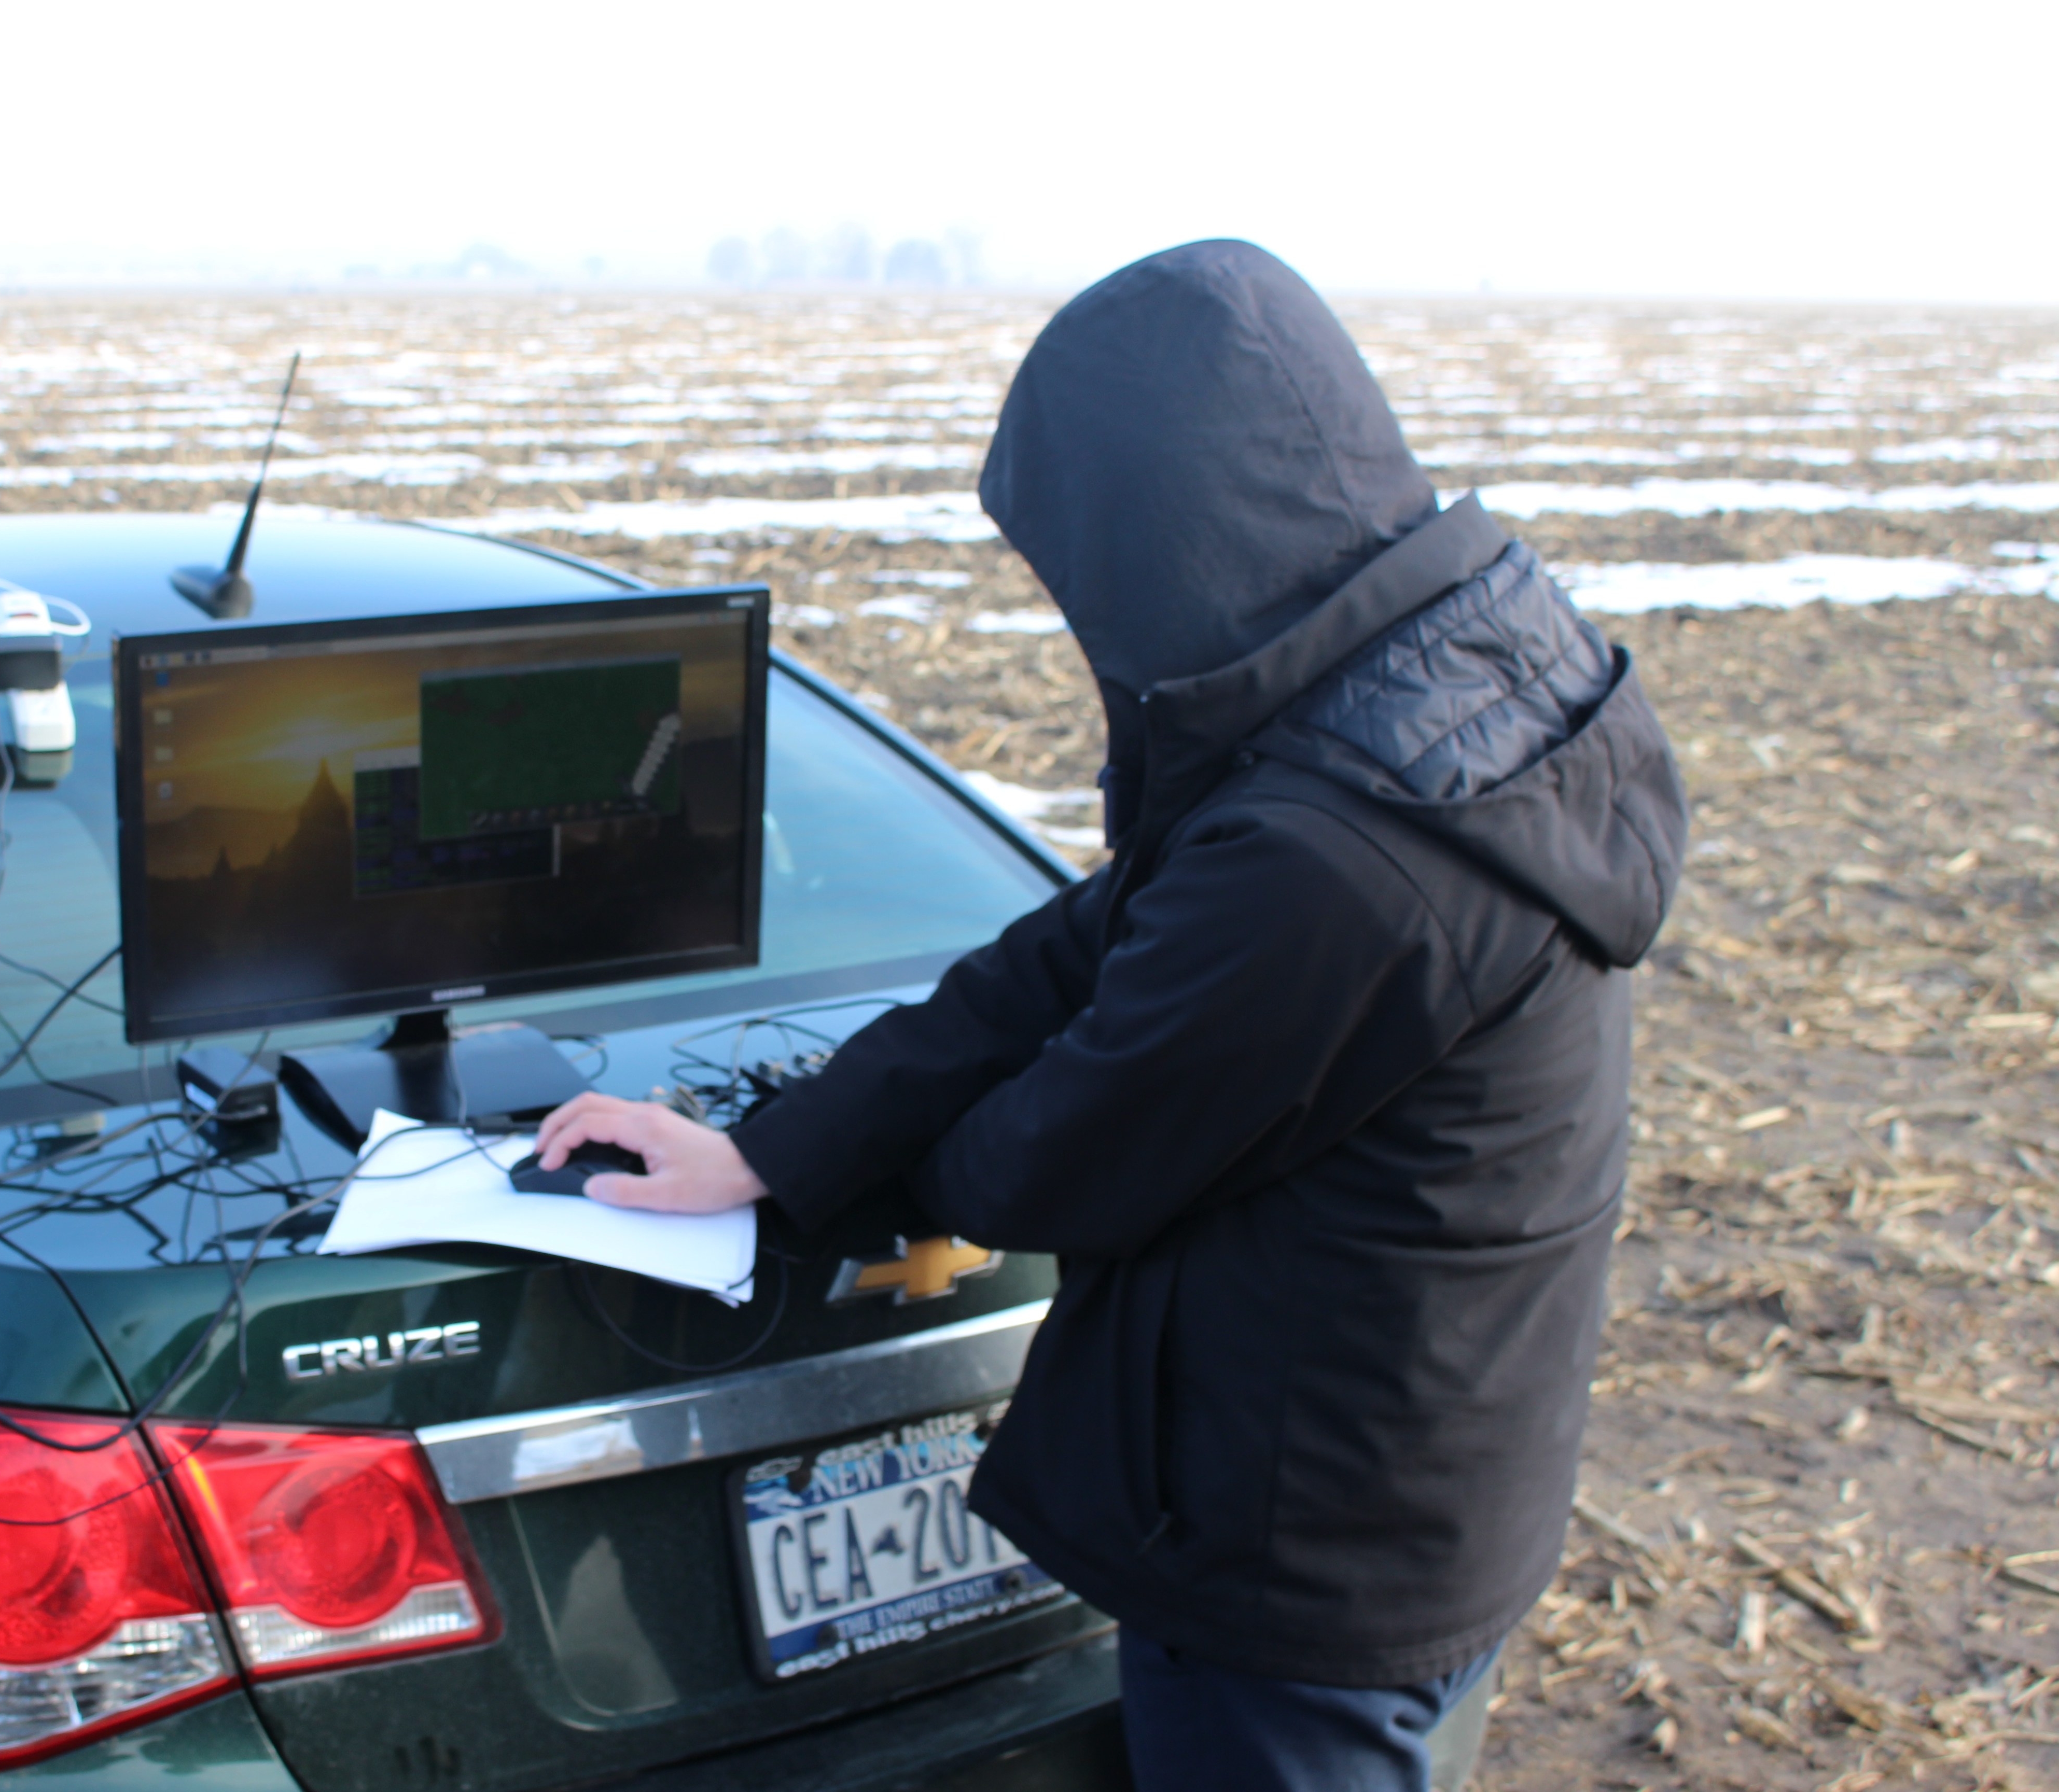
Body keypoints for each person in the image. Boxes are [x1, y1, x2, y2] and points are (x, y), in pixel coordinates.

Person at [532, 239, 1687, 1791]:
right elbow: (1100, 937)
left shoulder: (1335, 863)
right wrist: (780, 1149)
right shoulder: (1453, 678)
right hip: (1439, 1457)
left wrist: (822, 1201)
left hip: (1300, 1555)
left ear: (1171, 533)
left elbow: (1047, 1160)